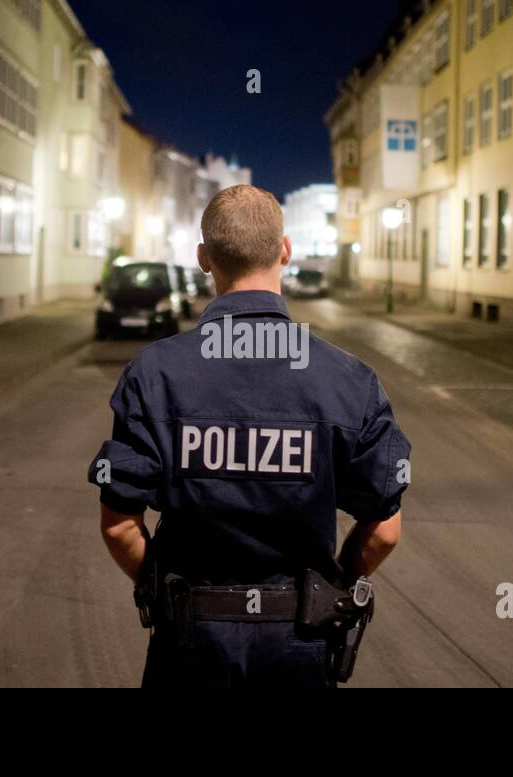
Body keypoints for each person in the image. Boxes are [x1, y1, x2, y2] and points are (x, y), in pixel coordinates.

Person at [88, 184, 410, 688]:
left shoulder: (155, 373)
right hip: (300, 645)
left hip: (191, 644)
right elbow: (384, 529)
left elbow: (119, 526)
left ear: (203, 258)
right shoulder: (350, 380)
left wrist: (163, 592)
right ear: (285, 251)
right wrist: (334, 586)